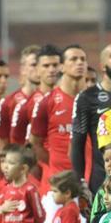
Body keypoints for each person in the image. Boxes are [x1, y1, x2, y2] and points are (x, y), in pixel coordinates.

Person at [71, 43, 111, 193]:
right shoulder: (87, 97)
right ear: (103, 66)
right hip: (101, 177)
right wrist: (80, 182)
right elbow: (78, 144)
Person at [31, 44, 87, 189]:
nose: (79, 62)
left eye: (82, 59)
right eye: (74, 59)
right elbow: (35, 143)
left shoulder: (93, 101)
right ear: (62, 67)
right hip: (56, 183)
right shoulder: (47, 102)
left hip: (88, 180)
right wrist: (55, 164)